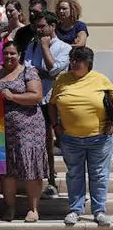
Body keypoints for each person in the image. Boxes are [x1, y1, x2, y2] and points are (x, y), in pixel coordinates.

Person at [0, 42, 45, 222]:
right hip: (2, 129)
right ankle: (10, 208)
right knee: (7, 171)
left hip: (29, 128)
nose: (9, 57)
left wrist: (13, 97)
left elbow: (36, 96)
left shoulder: (29, 71)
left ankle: (33, 209)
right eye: (5, 54)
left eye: (12, 53)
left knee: (30, 168)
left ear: (19, 54)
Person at [49, 47, 113, 226]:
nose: (74, 63)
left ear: (89, 63)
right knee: (75, 174)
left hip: (99, 138)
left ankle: (99, 211)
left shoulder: (102, 80)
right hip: (70, 139)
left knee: (99, 175)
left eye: (79, 60)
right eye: (72, 59)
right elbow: (52, 105)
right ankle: (75, 210)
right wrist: (56, 126)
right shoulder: (62, 80)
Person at [23, 11, 71, 199]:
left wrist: (44, 48)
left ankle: (74, 183)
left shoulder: (64, 48)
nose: (39, 29)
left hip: (56, 101)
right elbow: (28, 70)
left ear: (52, 26)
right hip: (37, 101)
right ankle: (50, 181)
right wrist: (41, 72)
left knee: (65, 144)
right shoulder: (31, 45)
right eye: (37, 26)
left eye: (43, 26)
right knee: (45, 145)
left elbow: (53, 70)